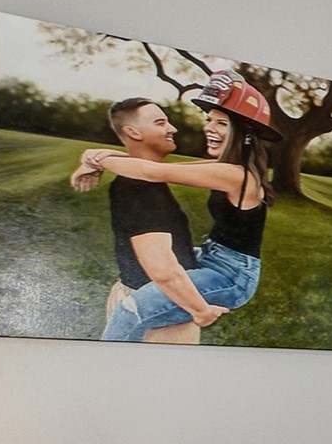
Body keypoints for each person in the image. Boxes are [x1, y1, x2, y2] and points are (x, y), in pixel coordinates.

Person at [74, 71, 274, 342]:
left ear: (243, 132)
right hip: (211, 255)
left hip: (231, 276)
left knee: (132, 309)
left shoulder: (237, 176)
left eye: (221, 123)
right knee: (157, 260)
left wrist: (95, 160)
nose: (209, 129)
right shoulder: (224, 167)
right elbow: (156, 168)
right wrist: (97, 157)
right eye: (209, 121)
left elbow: (153, 173)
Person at [79, 97, 224, 342]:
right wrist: (201, 310)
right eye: (161, 122)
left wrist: (97, 157)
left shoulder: (143, 180)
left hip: (143, 299)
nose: (172, 128)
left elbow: (221, 167)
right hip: (156, 309)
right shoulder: (141, 189)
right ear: (133, 132)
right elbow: (163, 269)